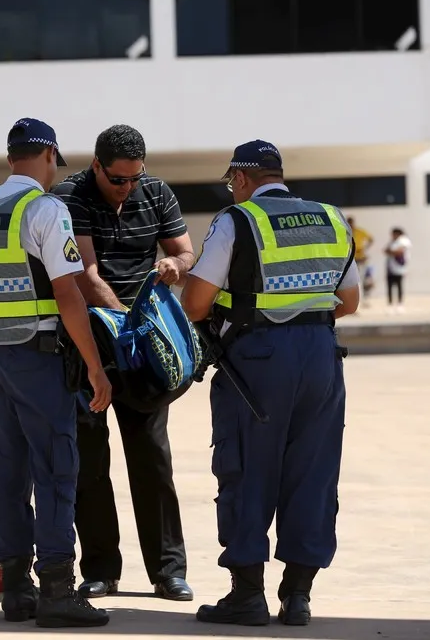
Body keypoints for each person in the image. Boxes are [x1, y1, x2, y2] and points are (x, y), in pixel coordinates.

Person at [179, 140, 360, 627]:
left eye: (230, 182)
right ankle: (297, 597)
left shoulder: (238, 221)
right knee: (313, 474)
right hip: (322, 358)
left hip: (257, 363)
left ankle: (247, 596)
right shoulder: (330, 217)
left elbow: (195, 304)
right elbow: (349, 299)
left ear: (241, 178)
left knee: (248, 470)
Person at [0, 117, 112, 628]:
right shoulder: (46, 209)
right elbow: (68, 292)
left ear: (10, 159)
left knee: (7, 472)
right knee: (55, 469)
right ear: (49, 157)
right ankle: (56, 590)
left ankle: (16, 589)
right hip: (38, 353)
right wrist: (96, 368)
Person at [52, 124, 196, 602]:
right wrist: (124, 324)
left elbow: (184, 250)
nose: (128, 187)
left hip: (143, 350)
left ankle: (168, 571)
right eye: (119, 180)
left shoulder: (156, 192)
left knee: (152, 458)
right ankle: (100, 569)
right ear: (96, 166)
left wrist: (176, 265)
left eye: (135, 178)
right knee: (90, 463)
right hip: (90, 342)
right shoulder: (71, 196)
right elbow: (86, 274)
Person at [346, 216, 374, 303]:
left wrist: (365, 248)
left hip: (361, 258)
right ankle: (357, 299)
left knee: (363, 279)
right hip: (351, 259)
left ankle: (364, 298)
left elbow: (371, 239)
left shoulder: (359, 231)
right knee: (354, 280)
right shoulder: (345, 232)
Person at [385, 227, 412, 312]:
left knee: (399, 286)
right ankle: (390, 304)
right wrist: (392, 251)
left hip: (399, 268)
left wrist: (391, 251)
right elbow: (385, 250)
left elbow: (400, 252)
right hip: (391, 268)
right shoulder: (392, 242)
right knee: (390, 287)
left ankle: (400, 304)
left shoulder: (403, 240)